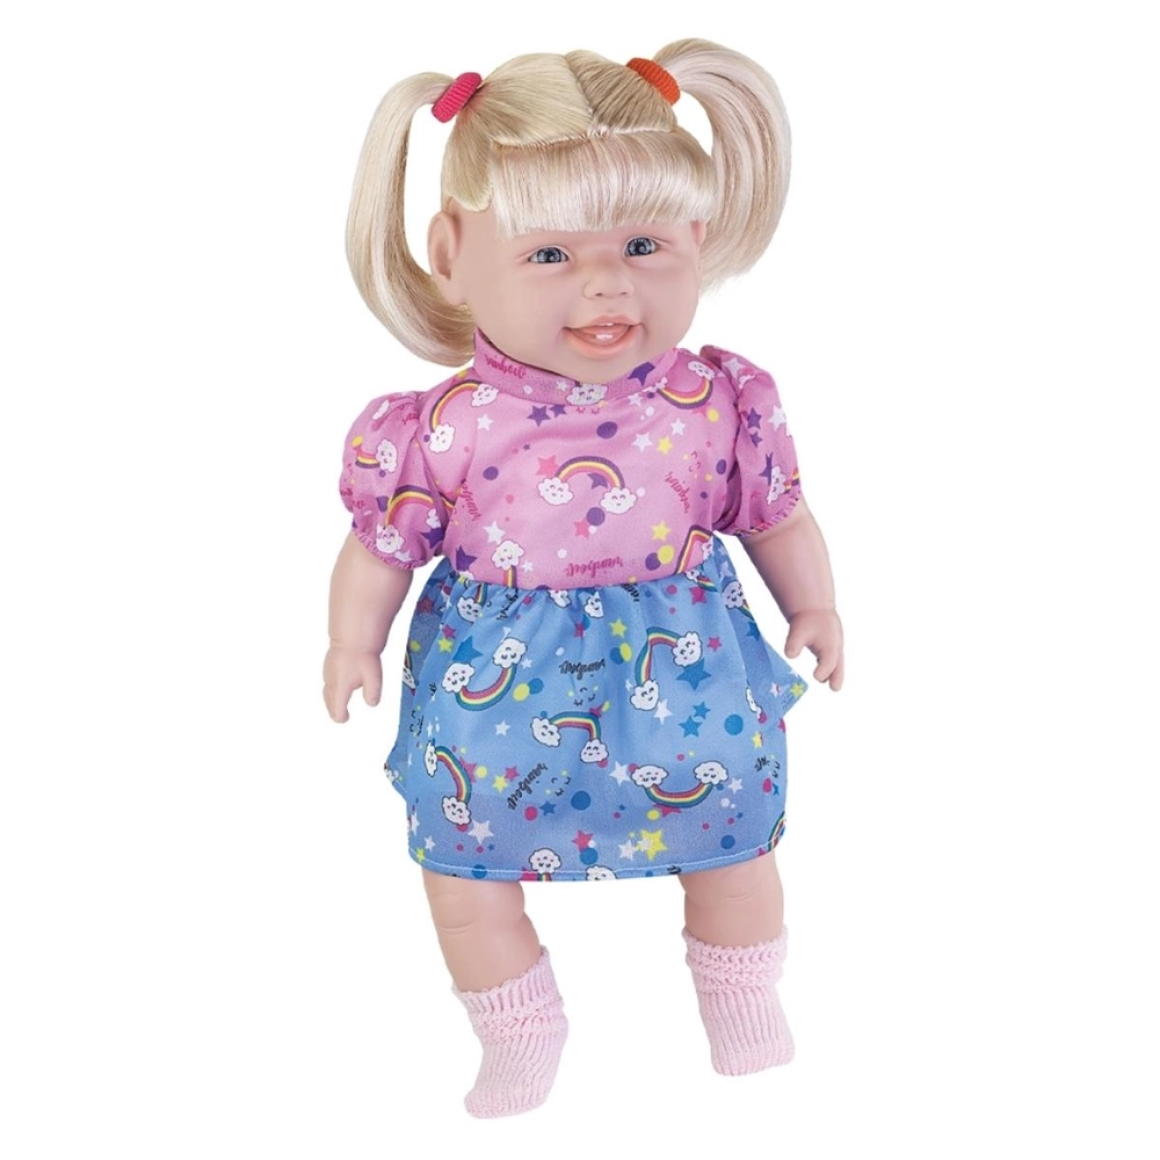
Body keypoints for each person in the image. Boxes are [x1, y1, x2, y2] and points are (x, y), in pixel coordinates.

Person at [323, 40, 844, 1118]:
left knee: (736, 839)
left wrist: (814, 603)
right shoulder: (441, 427)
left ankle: (742, 1002)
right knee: (459, 868)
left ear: (697, 237)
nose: (607, 284)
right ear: (450, 254)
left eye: (644, 244)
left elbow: (775, 513)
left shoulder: (718, 403)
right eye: (551, 254)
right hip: (492, 703)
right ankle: (518, 1030)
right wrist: (350, 640)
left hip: (689, 684)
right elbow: (381, 544)